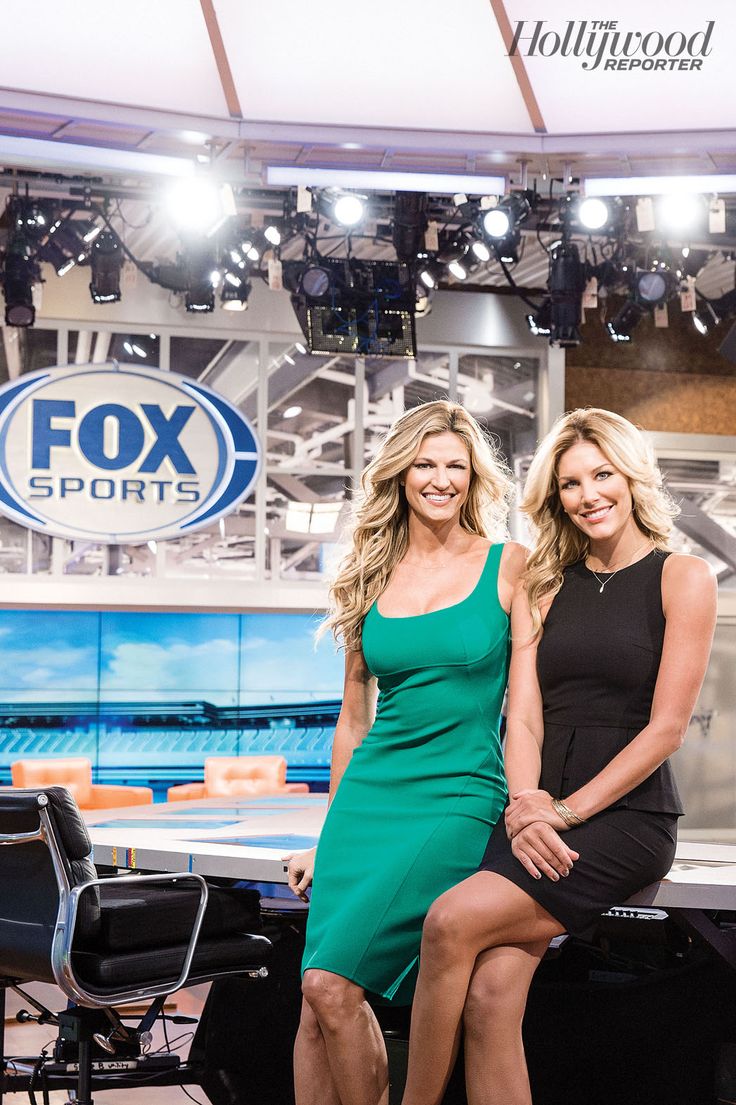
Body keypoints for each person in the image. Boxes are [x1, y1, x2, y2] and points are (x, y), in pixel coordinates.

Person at [399, 407, 717, 1105]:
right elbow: (527, 717)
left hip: (625, 815)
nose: (588, 494)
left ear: (632, 478)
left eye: (603, 474)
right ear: (555, 496)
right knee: (489, 996)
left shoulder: (682, 577)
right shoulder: (543, 582)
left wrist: (563, 810)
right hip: (535, 807)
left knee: (449, 921)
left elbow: (666, 730)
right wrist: (524, 805)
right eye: (570, 482)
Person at [284, 399, 526, 1105]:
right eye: (426, 463)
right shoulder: (370, 575)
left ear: (475, 478)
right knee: (312, 1005)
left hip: (456, 795)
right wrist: (329, 837)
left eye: (456, 465)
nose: (441, 478)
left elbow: (533, 707)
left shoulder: (508, 565)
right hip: (369, 799)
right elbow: (353, 719)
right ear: (400, 474)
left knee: (332, 985)